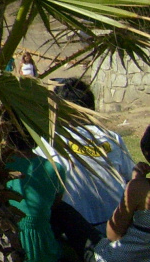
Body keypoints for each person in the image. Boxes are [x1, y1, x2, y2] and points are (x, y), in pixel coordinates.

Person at [39, 78, 134, 256]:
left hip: (76, 235)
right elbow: (130, 178)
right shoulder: (112, 138)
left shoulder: (48, 145)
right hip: (119, 228)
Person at [6, 129, 67, 262]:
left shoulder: (1, 165)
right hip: (43, 239)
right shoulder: (56, 168)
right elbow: (55, 203)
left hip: (9, 237)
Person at [92, 162, 150, 261]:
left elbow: (113, 235)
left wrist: (135, 183)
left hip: (118, 256)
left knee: (67, 213)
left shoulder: (140, 188)